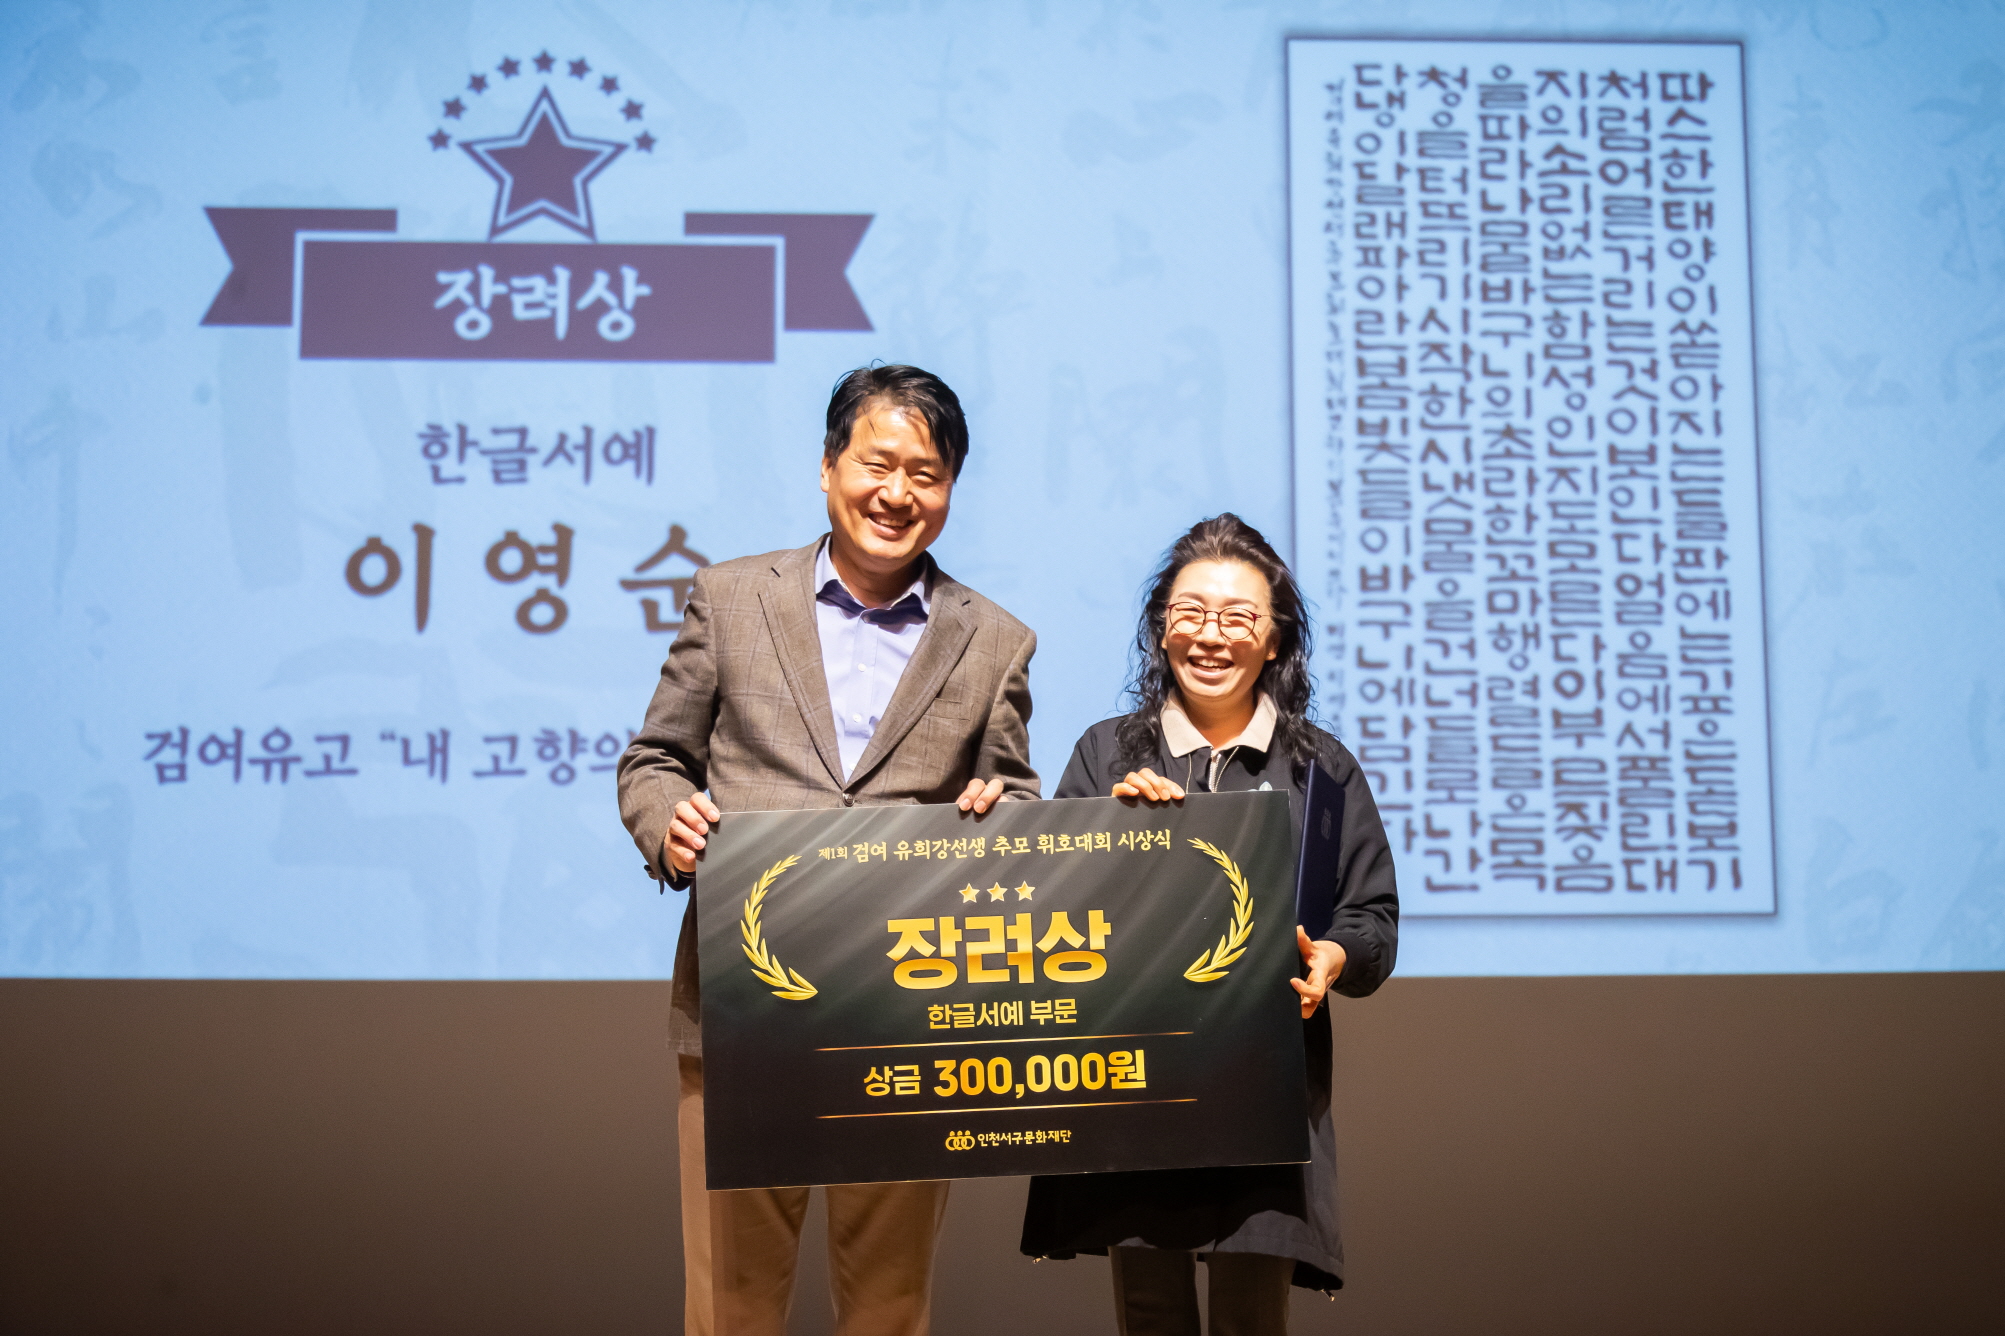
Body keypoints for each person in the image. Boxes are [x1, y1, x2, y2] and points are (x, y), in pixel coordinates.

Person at [617, 364, 1039, 1336]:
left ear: (950, 489)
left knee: (889, 1309)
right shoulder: (730, 597)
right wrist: (667, 820)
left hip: (909, 1025)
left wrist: (1004, 812)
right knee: (729, 1309)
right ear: (826, 466)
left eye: (925, 473)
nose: (897, 493)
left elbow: (1012, 795)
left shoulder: (996, 640)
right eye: (876, 464)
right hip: (740, 1011)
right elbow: (655, 757)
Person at [1019, 513, 1398, 1336]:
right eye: (1189, 613)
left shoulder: (1321, 768)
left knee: (1250, 1320)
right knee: (1149, 1314)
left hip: (1265, 1091)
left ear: (1275, 639)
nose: (1210, 636)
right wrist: (1109, 834)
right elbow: (1047, 912)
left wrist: (1331, 957)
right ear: (1161, 629)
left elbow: (1370, 918)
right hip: (1132, 1086)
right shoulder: (1105, 756)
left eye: (1237, 617)